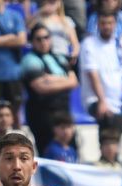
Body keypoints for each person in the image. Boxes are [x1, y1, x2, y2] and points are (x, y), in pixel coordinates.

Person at [79, 9, 122, 148]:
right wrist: (102, 101)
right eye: (103, 23)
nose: (107, 26)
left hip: (119, 101)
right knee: (110, 133)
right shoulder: (89, 44)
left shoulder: (119, 43)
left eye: (110, 23)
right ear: (98, 25)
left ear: (115, 24)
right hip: (97, 100)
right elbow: (92, 74)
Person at [19, 23, 79, 154]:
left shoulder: (60, 58)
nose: (43, 42)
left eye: (46, 37)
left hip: (64, 113)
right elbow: (40, 88)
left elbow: (74, 82)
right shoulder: (29, 60)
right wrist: (64, 79)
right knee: (49, 153)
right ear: (32, 41)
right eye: (38, 39)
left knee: (71, 151)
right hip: (42, 116)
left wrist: (50, 79)